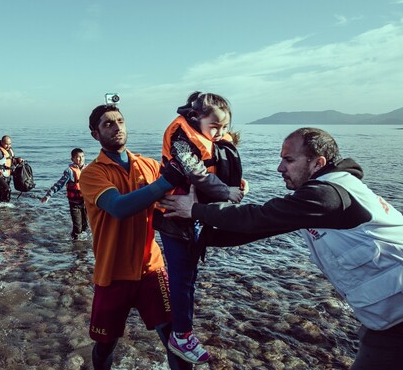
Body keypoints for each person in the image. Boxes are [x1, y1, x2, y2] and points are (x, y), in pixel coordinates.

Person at [158, 127, 403, 370]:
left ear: (318, 163)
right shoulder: (325, 194)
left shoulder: (327, 196)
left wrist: (196, 210)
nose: (279, 168)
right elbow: (259, 228)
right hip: (388, 315)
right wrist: (192, 233)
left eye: (289, 160)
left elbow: (260, 217)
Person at [79, 103, 192, 370]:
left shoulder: (149, 165)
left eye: (120, 121)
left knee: (176, 338)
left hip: (151, 268)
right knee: (106, 343)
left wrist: (226, 187)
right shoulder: (92, 173)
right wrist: (167, 181)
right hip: (112, 273)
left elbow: (181, 196)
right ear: (95, 134)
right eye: (108, 123)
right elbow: (119, 207)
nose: (116, 127)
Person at [153, 91, 247, 364]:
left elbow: (220, 166)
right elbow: (197, 174)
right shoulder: (182, 140)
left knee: (190, 277)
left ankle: (186, 331)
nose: (219, 133)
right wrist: (227, 193)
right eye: (214, 127)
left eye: (224, 127)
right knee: (181, 279)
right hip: (174, 217)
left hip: (194, 216)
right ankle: (180, 336)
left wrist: (237, 186)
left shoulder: (210, 137)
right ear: (195, 118)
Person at [40, 148, 89, 239]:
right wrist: (48, 195)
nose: (81, 159)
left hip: (85, 202)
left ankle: (82, 247)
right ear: (73, 159)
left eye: (82, 156)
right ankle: (74, 243)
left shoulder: (88, 169)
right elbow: (59, 184)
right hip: (74, 203)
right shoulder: (69, 171)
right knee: (78, 228)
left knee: (85, 226)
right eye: (78, 157)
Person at [0, 135, 22, 202]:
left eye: (10, 144)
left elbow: (11, 161)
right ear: (2, 142)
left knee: (6, 191)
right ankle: (4, 206)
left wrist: (17, 160)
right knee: (7, 189)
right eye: (6, 144)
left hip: (8, 174)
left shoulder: (9, 150)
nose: (8, 146)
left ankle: (4, 206)